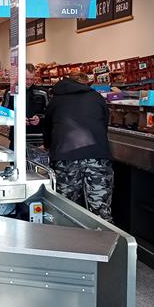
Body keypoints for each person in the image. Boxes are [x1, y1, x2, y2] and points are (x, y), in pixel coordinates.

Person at [42, 71, 114, 221]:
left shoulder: (56, 100)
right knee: (99, 207)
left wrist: (48, 145)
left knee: (67, 207)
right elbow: (104, 124)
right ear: (85, 83)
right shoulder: (96, 97)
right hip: (97, 156)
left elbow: (47, 127)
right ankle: (103, 241)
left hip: (65, 157)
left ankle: (69, 241)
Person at [4, 63, 48, 149]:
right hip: (17, 135)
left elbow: (49, 113)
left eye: (32, 79)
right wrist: (18, 119)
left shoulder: (43, 93)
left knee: (35, 162)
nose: (29, 82)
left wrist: (40, 118)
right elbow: (4, 112)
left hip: (37, 137)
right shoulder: (11, 92)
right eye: (26, 79)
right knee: (15, 162)